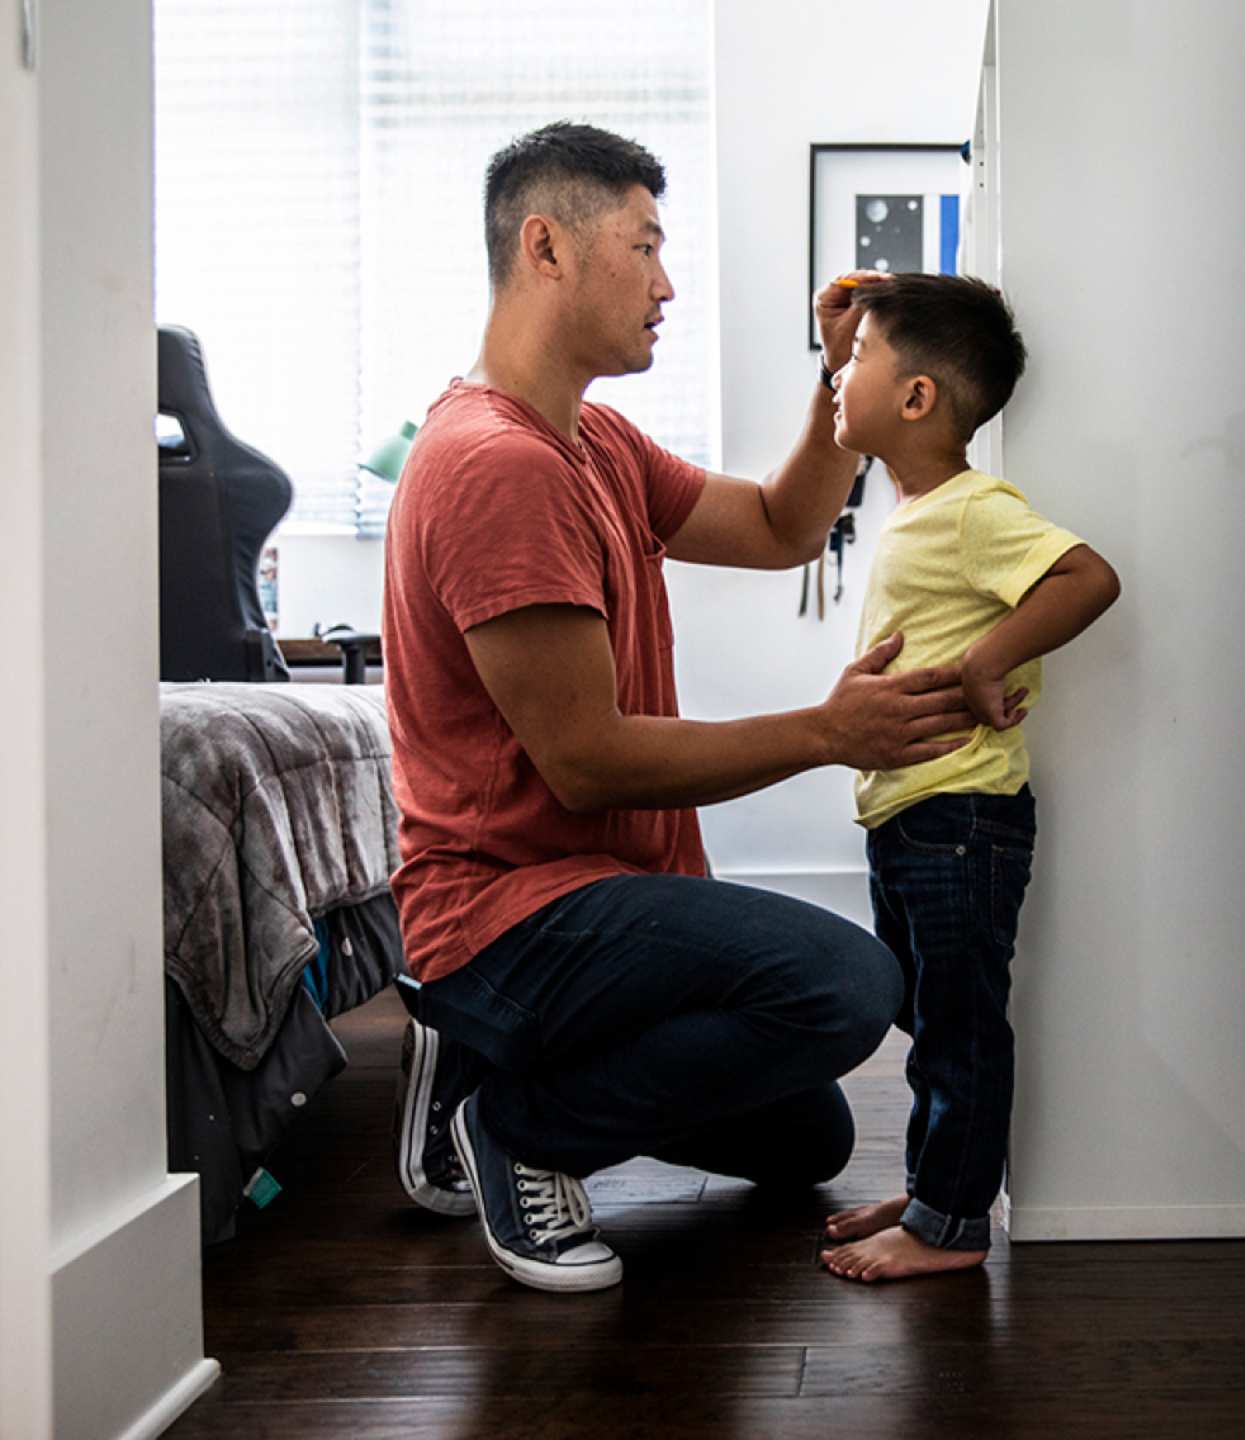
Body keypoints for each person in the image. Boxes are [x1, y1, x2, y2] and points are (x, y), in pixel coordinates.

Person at [382, 122, 991, 1294]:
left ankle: (489, 1070)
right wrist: (829, 732)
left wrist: (835, 384)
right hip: (508, 912)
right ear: (547, 246)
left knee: (803, 1140)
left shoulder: (594, 441)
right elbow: (590, 763)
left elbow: (781, 528)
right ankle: (517, 1125)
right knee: (849, 987)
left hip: (609, 901)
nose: (667, 284)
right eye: (646, 246)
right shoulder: (494, 465)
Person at [817, 274, 1121, 1283]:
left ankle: (951, 1226)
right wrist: (841, 340)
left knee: (960, 1025)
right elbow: (846, 393)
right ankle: (934, 1180)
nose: (838, 378)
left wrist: (989, 660)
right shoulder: (912, 507)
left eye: (859, 360)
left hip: (960, 815)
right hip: (909, 816)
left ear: (916, 401)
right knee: (928, 1021)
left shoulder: (972, 509)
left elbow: (1088, 576)